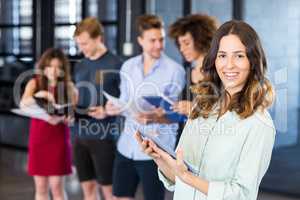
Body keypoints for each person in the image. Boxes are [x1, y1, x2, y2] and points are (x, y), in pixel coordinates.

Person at [136, 20, 276, 200]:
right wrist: (158, 158)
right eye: (223, 55)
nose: (229, 65)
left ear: (253, 61)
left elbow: (242, 194)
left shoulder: (259, 124)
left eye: (239, 56)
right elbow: (178, 177)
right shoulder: (202, 108)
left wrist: (188, 177)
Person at [105, 14, 186, 200]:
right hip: (126, 146)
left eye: (161, 39)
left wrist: (155, 116)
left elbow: (176, 114)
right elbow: (125, 101)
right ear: (140, 41)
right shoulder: (128, 66)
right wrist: (114, 107)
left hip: (156, 151)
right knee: (120, 196)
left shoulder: (175, 71)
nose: (158, 44)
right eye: (152, 40)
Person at [72, 17, 122, 200]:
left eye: (84, 43)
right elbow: (77, 95)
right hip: (79, 135)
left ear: (98, 38)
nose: (81, 48)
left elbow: (126, 102)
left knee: (109, 192)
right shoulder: (80, 64)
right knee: (88, 190)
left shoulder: (116, 64)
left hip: (104, 137)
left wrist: (107, 111)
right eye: (79, 44)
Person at [20, 48, 77, 200]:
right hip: (39, 139)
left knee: (57, 186)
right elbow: (23, 104)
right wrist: (41, 94)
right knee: (41, 187)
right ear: (43, 67)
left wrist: (68, 119)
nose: (53, 70)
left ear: (63, 69)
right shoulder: (34, 83)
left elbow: (72, 115)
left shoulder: (69, 86)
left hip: (59, 139)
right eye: (50, 66)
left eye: (58, 67)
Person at [168, 14, 218, 116]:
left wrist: (194, 108)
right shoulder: (188, 73)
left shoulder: (220, 72)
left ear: (201, 40)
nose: (181, 49)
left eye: (186, 43)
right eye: (180, 44)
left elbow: (227, 111)